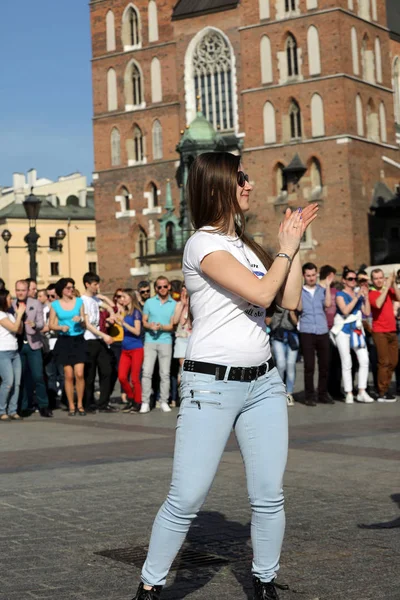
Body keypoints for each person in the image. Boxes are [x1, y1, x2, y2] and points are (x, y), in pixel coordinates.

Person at [131, 152, 318, 600]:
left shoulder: (248, 246)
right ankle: (150, 586)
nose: (249, 185)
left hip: (264, 382)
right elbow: (260, 290)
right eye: (241, 179)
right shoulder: (202, 243)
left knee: (269, 493)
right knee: (188, 496)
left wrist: (294, 245)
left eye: (248, 178)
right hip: (211, 383)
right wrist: (286, 251)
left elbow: (286, 300)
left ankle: (265, 580)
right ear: (217, 187)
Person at [331, 267, 373, 404]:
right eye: (350, 279)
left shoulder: (358, 293)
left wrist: (365, 297)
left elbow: (366, 312)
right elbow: (345, 310)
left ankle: (362, 390)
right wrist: (357, 297)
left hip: (357, 330)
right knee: (347, 362)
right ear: (344, 281)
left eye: (355, 279)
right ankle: (349, 392)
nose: (354, 281)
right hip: (343, 330)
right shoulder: (340, 295)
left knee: (365, 360)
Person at [13, 280, 52, 418]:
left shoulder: (35, 304)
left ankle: (44, 406)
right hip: (17, 345)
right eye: (18, 290)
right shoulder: (11, 304)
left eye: (23, 290)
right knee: (22, 377)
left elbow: (42, 324)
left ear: (28, 290)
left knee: (38, 376)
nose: (20, 293)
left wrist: (35, 325)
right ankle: (24, 406)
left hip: (33, 344)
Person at [49, 278, 87, 416]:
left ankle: (81, 404)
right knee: (69, 376)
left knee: (79, 374)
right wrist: (60, 327)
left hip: (78, 340)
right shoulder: (55, 305)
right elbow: (51, 325)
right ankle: (71, 405)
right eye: (68, 288)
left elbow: (85, 322)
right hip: (64, 341)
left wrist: (81, 319)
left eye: (72, 287)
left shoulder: (79, 302)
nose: (71, 290)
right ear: (62, 290)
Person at [140, 276, 177, 414]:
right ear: (155, 288)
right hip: (150, 340)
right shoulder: (149, 302)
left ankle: (164, 401)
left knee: (165, 374)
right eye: (159, 287)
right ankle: (145, 402)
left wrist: (160, 327)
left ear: (169, 287)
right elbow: (144, 321)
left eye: (165, 286)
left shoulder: (174, 304)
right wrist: (149, 325)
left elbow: (172, 325)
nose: (162, 289)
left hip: (166, 340)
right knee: (147, 372)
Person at [298, 263, 333, 406]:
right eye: (308, 275)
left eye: (313, 275)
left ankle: (323, 393)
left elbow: (328, 304)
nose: (311, 278)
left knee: (324, 364)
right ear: (304, 276)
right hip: (307, 331)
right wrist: (297, 290)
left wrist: (328, 286)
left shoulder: (321, 290)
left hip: (322, 330)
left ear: (316, 275)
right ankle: (309, 395)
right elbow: (298, 308)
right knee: (309, 366)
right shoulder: (300, 291)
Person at [82, 272, 116, 412]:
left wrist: (112, 315)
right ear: (87, 284)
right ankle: (88, 403)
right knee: (89, 374)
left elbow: (110, 307)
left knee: (107, 370)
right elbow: (87, 324)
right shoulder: (82, 300)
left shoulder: (95, 300)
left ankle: (103, 402)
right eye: (95, 284)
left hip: (99, 339)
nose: (97, 287)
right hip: (89, 339)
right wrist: (104, 335)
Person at [369, 269, 400, 402]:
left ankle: (384, 387)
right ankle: (382, 392)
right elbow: (378, 304)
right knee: (384, 362)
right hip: (379, 331)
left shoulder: (388, 290)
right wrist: (386, 287)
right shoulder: (372, 293)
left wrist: (393, 284)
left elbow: (399, 298)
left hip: (392, 330)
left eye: (381, 277)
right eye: (376, 278)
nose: (379, 280)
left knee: (394, 361)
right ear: (372, 280)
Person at [0, 289, 25, 421]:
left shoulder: (9, 314)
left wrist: (18, 315)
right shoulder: (0, 315)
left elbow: (19, 330)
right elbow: (14, 328)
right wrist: (20, 314)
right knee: (8, 382)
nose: (12, 300)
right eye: (10, 298)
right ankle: (1, 410)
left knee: (17, 383)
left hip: (14, 352)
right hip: (2, 352)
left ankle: (12, 410)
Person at [117, 289, 144, 413]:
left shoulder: (136, 313)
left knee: (134, 378)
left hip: (136, 348)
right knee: (122, 377)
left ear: (130, 298)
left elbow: (137, 331)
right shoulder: (125, 312)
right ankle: (131, 397)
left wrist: (124, 324)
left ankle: (138, 402)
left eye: (124, 297)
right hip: (125, 349)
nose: (122, 299)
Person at [269, 306, 300, 407]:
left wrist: (291, 313)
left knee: (290, 365)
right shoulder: (275, 302)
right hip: (278, 336)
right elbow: (269, 323)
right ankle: (279, 392)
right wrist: (278, 313)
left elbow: (297, 324)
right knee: (281, 364)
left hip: (292, 336)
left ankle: (289, 393)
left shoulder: (294, 303)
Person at [172, 284, 192, 389]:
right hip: (181, 337)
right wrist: (183, 305)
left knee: (191, 365)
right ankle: (185, 386)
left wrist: (188, 306)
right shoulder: (178, 304)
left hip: (192, 337)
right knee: (183, 365)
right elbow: (175, 321)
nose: (184, 291)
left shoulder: (195, 303)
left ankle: (188, 383)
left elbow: (190, 322)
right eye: (183, 289)